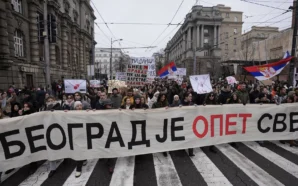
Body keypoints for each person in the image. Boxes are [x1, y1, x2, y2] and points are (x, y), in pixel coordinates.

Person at [65, 101, 88, 177]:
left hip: (83, 135)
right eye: (77, 106)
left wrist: (93, 112)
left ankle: (81, 165)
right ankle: (81, 164)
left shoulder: (86, 112)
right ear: (75, 107)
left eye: (80, 106)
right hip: (75, 135)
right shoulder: (70, 114)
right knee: (78, 150)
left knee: (81, 149)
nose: (79, 107)